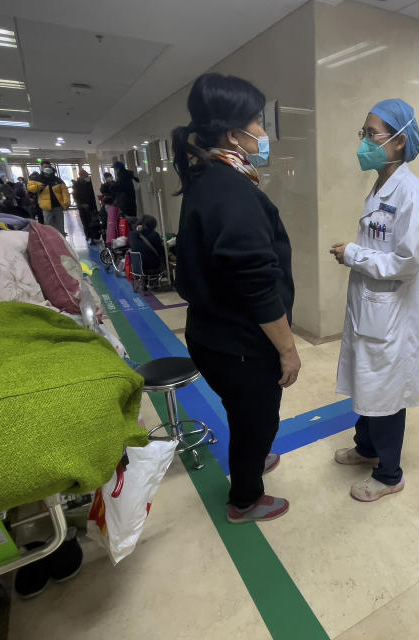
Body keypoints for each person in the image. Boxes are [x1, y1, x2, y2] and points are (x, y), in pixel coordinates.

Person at [172, 73, 298, 524]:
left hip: (213, 334)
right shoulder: (232, 191)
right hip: (241, 343)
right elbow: (257, 284)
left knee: (243, 412)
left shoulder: (208, 179)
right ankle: (245, 499)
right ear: (233, 134)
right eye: (259, 123)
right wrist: (288, 349)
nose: (263, 134)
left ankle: (252, 457)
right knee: (256, 420)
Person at [330, 98, 419, 502]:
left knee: (384, 393)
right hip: (370, 308)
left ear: (399, 141)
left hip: (390, 314)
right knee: (366, 383)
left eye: (372, 134)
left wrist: (353, 254)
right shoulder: (381, 185)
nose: (365, 143)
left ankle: (390, 475)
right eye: (364, 134)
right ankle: (367, 447)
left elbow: (408, 261)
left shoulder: (411, 191)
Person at [27, 161, 70, 234]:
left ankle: (61, 240)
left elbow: (65, 192)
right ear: (41, 168)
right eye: (45, 167)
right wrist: (38, 187)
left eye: (48, 167)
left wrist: (66, 203)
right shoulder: (37, 179)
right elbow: (30, 188)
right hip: (46, 207)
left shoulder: (57, 179)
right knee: (49, 225)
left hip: (58, 206)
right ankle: (51, 240)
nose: (47, 168)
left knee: (60, 225)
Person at [72, 169, 100, 242]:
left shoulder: (90, 183)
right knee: (86, 222)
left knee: (94, 221)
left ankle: (95, 236)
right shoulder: (77, 185)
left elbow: (94, 193)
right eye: (85, 176)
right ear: (81, 176)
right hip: (83, 207)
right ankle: (89, 236)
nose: (87, 177)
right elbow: (75, 196)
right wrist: (81, 204)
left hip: (92, 206)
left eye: (87, 176)